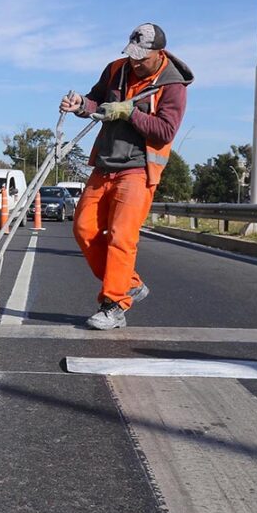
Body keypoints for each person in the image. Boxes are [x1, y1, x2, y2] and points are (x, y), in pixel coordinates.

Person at [60, 23, 193, 330]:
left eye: (141, 57)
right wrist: (80, 105)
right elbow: (96, 101)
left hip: (138, 169)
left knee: (121, 237)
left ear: (159, 53)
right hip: (105, 164)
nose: (135, 62)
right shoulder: (116, 69)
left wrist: (129, 112)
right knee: (83, 229)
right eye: (132, 54)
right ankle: (129, 283)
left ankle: (114, 305)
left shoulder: (173, 86)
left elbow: (165, 131)